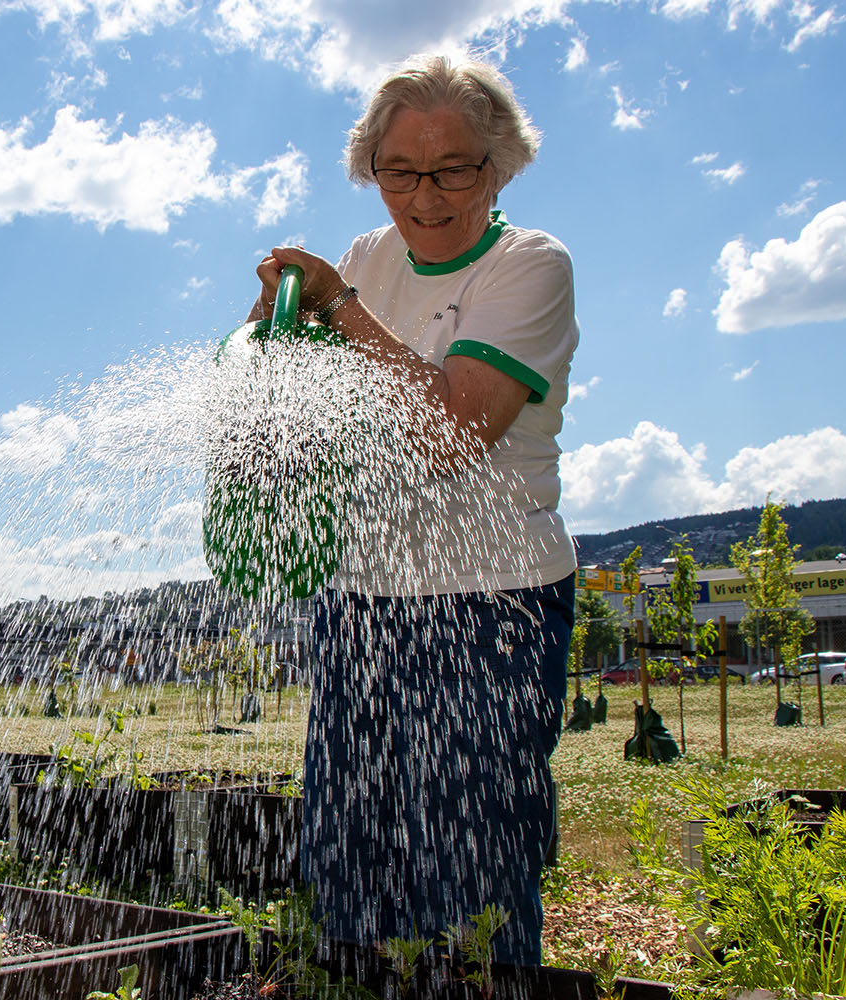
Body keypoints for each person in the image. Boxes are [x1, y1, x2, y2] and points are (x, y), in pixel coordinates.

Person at [247, 55, 577, 964]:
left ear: (499, 165)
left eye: (454, 169)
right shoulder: (364, 260)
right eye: (401, 172)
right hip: (363, 600)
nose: (426, 196)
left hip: (492, 603)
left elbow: (448, 435)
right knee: (351, 860)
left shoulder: (531, 267)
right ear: (373, 170)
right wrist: (266, 334)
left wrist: (338, 308)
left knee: (472, 865)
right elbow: (304, 408)